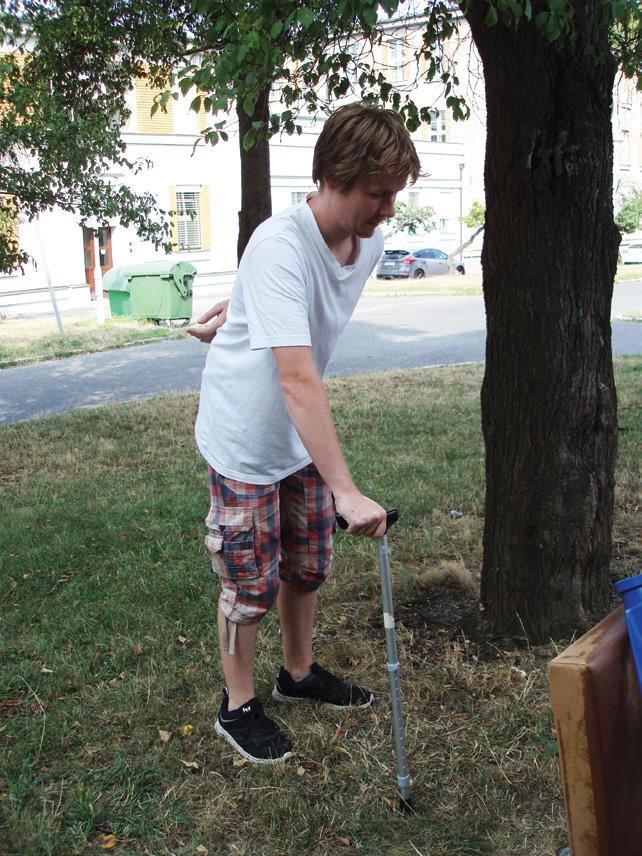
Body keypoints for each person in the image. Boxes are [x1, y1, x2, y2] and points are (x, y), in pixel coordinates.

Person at [188, 103, 420, 765]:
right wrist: (345, 489)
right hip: (246, 436)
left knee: (308, 566)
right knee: (249, 585)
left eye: (394, 194)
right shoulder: (278, 242)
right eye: (379, 194)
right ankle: (236, 707)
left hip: (299, 438)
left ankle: (297, 675)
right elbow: (296, 377)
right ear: (333, 178)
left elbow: (286, 302)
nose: (388, 210)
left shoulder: (367, 241)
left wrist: (237, 308)